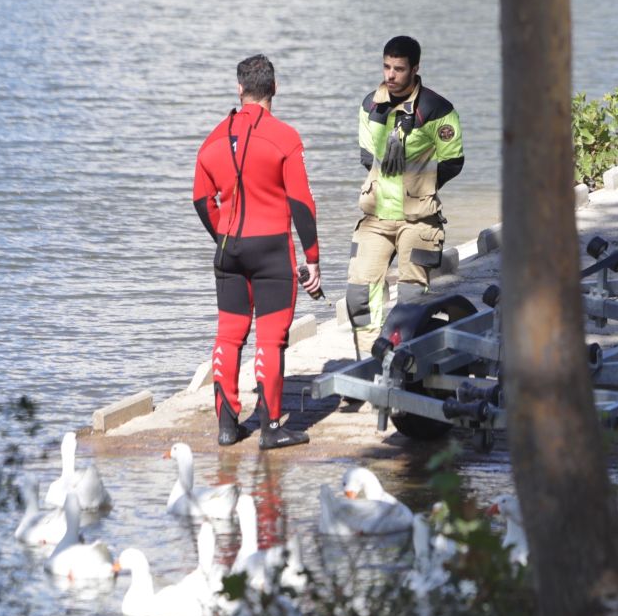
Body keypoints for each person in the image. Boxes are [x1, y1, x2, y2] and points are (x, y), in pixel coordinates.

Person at [192, 54, 321, 449]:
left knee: (228, 337)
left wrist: (225, 237)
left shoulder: (212, 139)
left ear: (239, 89)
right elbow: (301, 203)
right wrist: (312, 259)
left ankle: (228, 428)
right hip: (271, 253)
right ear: (275, 88)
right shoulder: (284, 136)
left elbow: (200, 199)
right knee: (270, 339)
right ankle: (270, 428)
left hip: (229, 250)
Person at [345, 35, 463, 357]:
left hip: (419, 218)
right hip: (377, 215)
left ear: (415, 69)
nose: (390, 76)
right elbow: (368, 157)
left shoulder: (437, 109)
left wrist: (421, 186)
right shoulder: (370, 105)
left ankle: (406, 365)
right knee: (359, 293)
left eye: (398, 69)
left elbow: (453, 161)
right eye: (386, 67)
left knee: (411, 301)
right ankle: (370, 362)